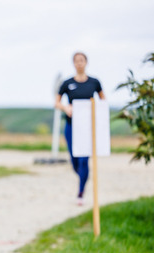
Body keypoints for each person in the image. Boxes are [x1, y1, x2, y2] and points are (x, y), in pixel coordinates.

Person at [55, 52, 105, 205]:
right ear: (73, 63)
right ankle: (83, 177)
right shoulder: (67, 83)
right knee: (75, 161)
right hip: (71, 126)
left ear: (86, 62)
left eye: (81, 60)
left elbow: (103, 101)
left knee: (84, 160)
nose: (79, 63)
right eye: (76, 61)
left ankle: (81, 192)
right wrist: (65, 108)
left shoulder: (94, 82)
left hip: (87, 128)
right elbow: (57, 102)